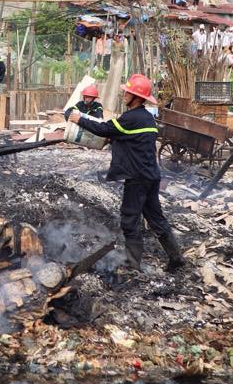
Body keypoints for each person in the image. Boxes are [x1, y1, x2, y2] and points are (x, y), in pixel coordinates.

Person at [69, 74, 184, 273]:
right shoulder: (147, 117)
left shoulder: (131, 118)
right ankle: (176, 258)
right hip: (151, 176)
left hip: (137, 178)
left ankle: (133, 265)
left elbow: (104, 128)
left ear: (138, 98)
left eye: (128, 93)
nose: (124, 95)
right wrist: (115, 140)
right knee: (156, 218)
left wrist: (79, 119)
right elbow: (132, 139)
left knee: (130, 220)